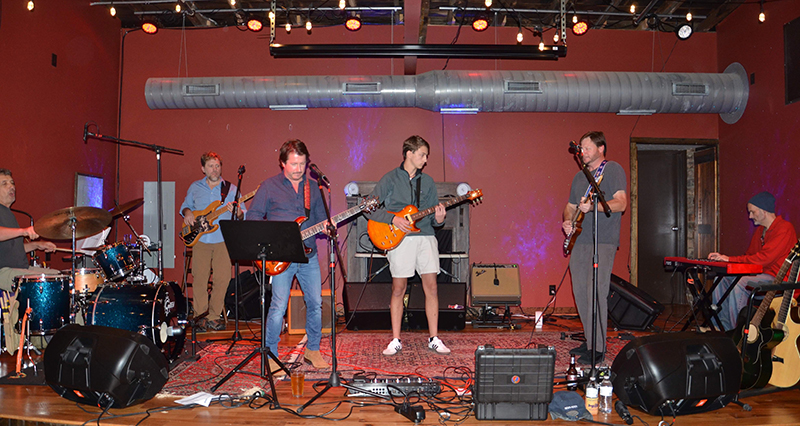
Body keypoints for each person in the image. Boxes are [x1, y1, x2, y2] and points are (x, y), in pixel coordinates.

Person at [246, 140, 329, 374]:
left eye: (302, 163)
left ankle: (313, 350)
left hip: (308, 255)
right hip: (280, 256)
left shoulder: (313, 187)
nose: (298, 168)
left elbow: (322, 218)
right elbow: (253, 216)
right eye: (293, 164)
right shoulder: (269, 186)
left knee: (315, 304)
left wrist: (326, 227)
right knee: (278, 305)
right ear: (282, 163)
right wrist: (273, 238)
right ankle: (271, 354)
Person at [367, 135, 450, 356]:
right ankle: (395, 339)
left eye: (426, 156)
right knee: (398, 289)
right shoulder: (390, 179)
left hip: (426, 237)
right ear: (409, 154)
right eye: (422, 155)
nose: (425, 159)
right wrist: (393, 219)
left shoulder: (429, 182)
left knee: (431, 287)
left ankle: (434, 338)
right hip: (399, 238)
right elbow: (369, 207)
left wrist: (440, 219)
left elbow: (434, 219)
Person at [561, 131, 627, 365]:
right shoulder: (579, 177)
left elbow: (621, 202)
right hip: (580, 239)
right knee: (581, 292)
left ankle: (599, 348)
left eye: (587, 148)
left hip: (603, 241)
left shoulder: (613, 170)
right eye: (581, 148)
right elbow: (569, 207)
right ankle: (591, 341)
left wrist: (594, 207)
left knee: (596, 292)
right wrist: (567, 220)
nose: (583, 152)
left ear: (601, 148)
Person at [708, 191, 797, 331]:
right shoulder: (761, 231)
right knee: (722, 279)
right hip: (763, 275)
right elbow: (750, 256)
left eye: (753, 212)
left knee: (742, 283)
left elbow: (764, 260)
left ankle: (735, 331)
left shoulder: (784, 229)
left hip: (779, 279)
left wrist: (729, 259)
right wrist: (727, 262)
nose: (750, 216)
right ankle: (720, 326)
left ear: (763, 211)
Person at [180, 152, 243, 332]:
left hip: (223, 239)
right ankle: (200, 316)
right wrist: (187, 213)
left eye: (217, 166)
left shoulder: (230, 189)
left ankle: (214, 317)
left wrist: (237, 211)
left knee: (222, 279)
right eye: (210, 166)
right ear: (203, 169)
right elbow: (185, 205)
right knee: (199, 279)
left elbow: (241, 215)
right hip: (201, 240)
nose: (214, 169)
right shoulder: (195, 187)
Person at [0, 168, 57, 353]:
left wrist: (37, 245)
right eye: (4, 183)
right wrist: (24, 231)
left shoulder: (9, 214)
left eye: (12, 182)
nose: (11, 186)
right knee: (47, 282)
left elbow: (15, 247)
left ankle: (63, 337)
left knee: (59, 276)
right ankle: (52, 343)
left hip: (18, 269)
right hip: (3, 271)